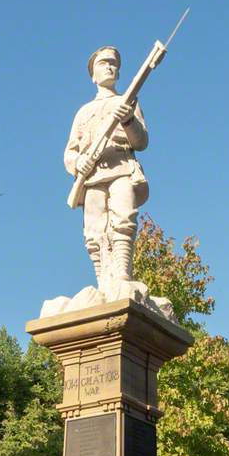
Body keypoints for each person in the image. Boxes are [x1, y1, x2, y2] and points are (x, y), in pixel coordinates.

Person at [64, 46, 149, 289]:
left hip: (122, 168)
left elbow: (141, 141)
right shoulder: (84, 112)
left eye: (113, 63)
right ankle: (103, 281)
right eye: (103, 63)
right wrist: (79, 162)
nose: (109, 66)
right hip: (92, 176)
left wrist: (128, 120)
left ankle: (122, 274)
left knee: (124, 218)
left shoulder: (128, 102)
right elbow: (70, 151)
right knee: (93, 230)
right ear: (93, 75)